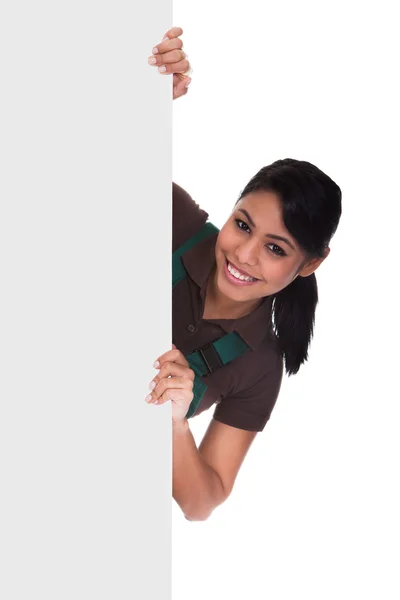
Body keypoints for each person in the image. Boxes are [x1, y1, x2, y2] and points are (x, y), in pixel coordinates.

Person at [146, 27, 342, 521]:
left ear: (311, 264)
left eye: (276, 248)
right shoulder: (175, 220)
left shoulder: (258, 365)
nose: (244, 254)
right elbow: (81, 159)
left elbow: (202, 499)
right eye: (242, 225)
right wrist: (143, 95)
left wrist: (174, 424)